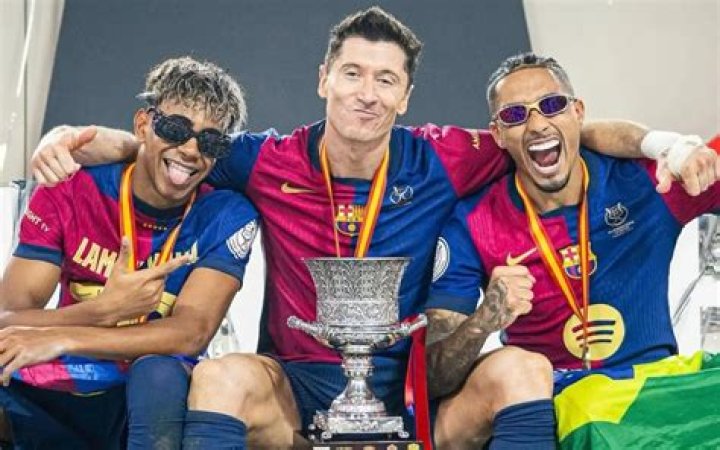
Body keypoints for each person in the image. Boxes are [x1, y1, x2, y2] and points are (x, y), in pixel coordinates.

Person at [28, 8, 718, 449]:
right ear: (323, 78)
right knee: (220, 380)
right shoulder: (267, 159)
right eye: (353, 73)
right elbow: (175, 148)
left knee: (519, 369)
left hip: (407, 393)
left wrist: (663, 143)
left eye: (386, 80)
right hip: (294, 385)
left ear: (406, 95)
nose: (367, 92)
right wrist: (77, 139)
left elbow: (553, 128)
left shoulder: (446, 157)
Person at [427, 52, 720, 449]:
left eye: (552, 105)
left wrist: (686, 151)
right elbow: (435, 378)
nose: (537, 124)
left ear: (577, 112)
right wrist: (485, 319)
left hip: (655, 390)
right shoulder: (474, 221)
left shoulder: (648, 182)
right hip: (557, 401)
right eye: (515, 115)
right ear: (497, 134)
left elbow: (699, 164)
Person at [0, 56, 258, 450]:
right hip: (60, 381)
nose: (191, 150)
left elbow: (191, 333)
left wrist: (65, 336)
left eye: (210, 142)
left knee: (159, 373)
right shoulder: (70, 189)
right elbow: (8, 318)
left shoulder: (225, 215)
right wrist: (100, 312)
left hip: (146, 394)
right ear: (143, 125)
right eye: (176, 129)